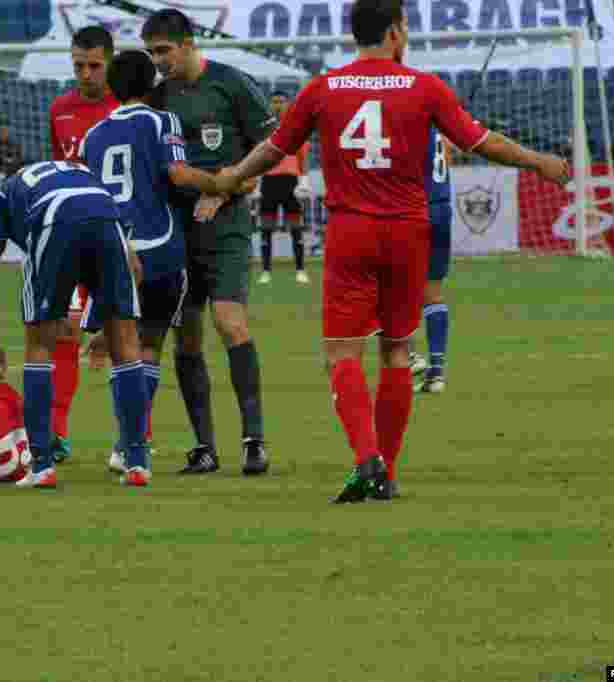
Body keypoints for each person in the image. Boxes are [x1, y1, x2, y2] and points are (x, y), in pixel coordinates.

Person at [216, 0, 569, 502]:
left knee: (342, 351)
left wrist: (231, 177)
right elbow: (480, 140)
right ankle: (390, 469)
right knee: (398, 350)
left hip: (351, 234)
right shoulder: (424, 87)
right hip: (408, 232)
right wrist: (537, 161)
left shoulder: (323, 88)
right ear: (394, 32)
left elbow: (273, 149)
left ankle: (367, 460)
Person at [142, 9, 274, 475]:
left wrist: (227, 190)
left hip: (228, 225)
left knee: (230, 321)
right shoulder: (157, 98)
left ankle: (253, 439)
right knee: (187, 335)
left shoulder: (231, 83)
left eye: (165, 50)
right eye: (152, 52)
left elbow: (270, 151)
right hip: (177, 228)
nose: (159, 60)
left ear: (189, 43)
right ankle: (204, 447)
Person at [79, 50, 223, 474]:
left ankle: (124, 445)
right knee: (149, 347)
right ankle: (130, 443)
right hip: (158, 245)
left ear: (112, 88)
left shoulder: (93, 135)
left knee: (123, 348)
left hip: (110, 248)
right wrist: (219, 181)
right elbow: (178, 175)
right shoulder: (163, 121)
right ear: (153, 86)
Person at [0, 161, 149, 488]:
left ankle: (41, 466)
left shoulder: (5, 192)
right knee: (126, 344)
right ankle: (137, 462)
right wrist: (102, 328)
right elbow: (135, 268)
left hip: (54, 217)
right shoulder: (83, 174)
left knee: (39, 342)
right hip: (105, 215)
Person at [45, 25, 120, 463]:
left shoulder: (128, 108)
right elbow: (56, 165)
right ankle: (56, 434)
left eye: (94, 65)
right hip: (70, 235)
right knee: (65, 331)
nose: (86, 74)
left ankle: (130, 438)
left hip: (116, 235)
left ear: (108, 63)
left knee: (121, 337)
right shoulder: (60, 108)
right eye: (78, 65)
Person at [408, 131, 453, 395]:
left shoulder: (409, 114)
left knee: (383, 285)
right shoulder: (440, 125)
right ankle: (436, 374)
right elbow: (449, 154)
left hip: (412, 209)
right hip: (441, 208)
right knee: (433, 291)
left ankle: (410, 355)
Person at [255, 90, 312, 286]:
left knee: (296, 228)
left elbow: (302, 154)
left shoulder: (296, 125)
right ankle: (266, 270)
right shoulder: (264, 128)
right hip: (269, 181)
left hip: (291, 181)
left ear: (288, 104)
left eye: (281, 101)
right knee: (266, 229)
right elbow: (257, 154)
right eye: (274, 102)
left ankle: (300, 269)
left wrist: (304, 180)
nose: (278, 105)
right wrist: (255, 178)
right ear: (270, 105)